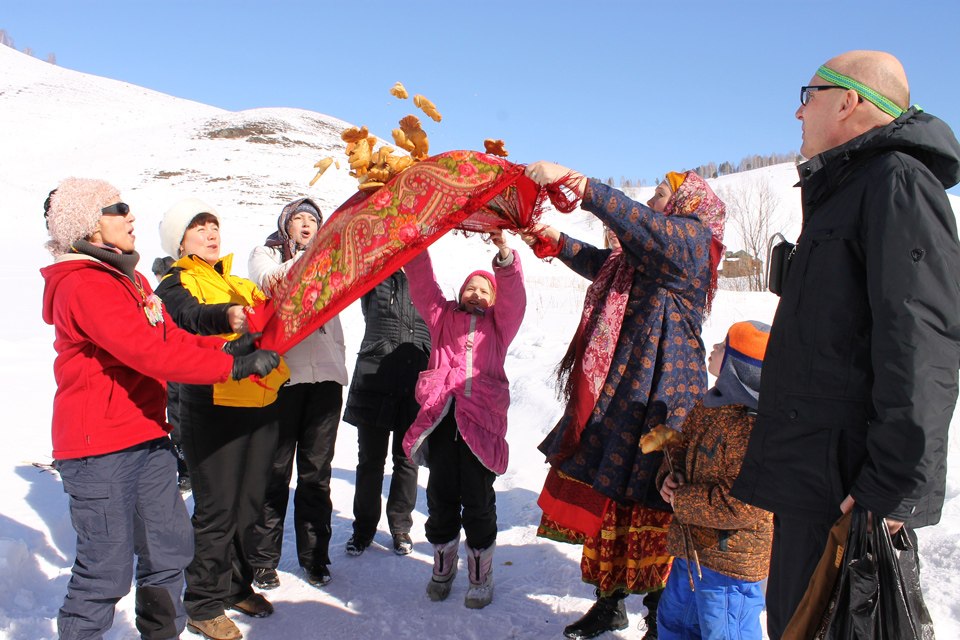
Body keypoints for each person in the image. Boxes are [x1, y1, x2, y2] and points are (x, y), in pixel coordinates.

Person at [731, 50, 960, 639]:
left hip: (849, 489)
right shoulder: (846, 189)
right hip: (815, 476)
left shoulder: (898, 183)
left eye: (808, 96)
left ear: (849, 101)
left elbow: (922, 344)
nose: (798, 111)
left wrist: (891, 486)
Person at [40, 178, 280, 640]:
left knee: (170, 550)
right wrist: (231, 368)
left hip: (147, 435)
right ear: (90, 224)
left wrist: (227, 350)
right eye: (117, 208)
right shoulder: (83, 283)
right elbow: (147, 353)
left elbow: (169, 336)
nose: (130, 216)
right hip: (99, 446)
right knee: (106, 570)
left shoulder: (130, 279)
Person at [522, 162, 726, 640]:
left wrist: (582, 186)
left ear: (686, 204)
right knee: (612, 495)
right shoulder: (646, 257)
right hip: (627, 390)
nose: (652, 201)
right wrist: (555, 240)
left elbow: (642, 225)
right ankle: (609, 603)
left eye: (660, 195)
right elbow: (602, 263)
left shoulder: (692, 242)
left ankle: (661, 616)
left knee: (659, 501)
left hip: (666, 399)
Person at [156, 198, 290, 640]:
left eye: (213, 225)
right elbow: (190, 318)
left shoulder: (236, 281)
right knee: (217, 509)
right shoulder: (174, 283)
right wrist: (227, 316)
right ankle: (203, 603)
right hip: (211, 404)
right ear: (179, 242)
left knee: (249, 505)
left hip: (260, 400)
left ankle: (236, 585)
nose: (211, 233)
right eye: (199, 227)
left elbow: (272, 314)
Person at [402, 229, 526, 609]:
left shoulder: (499, 327)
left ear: (493, 300)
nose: (476, 294)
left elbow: (514, 300)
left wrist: (504, 259)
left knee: (478, 501)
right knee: (439, 497)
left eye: (484, 290)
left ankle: (480, 575)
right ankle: (443, 567)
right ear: (460, 294)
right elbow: (423, 285)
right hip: (442, 420)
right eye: (470, 288)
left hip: (481, 425)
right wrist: (414, 245)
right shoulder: (442, 318)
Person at [246, 198, 348, 589]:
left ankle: (315, 557)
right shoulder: (266, 253)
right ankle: (262, 560)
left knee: (316, 475)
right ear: (286, 225)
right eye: (299, 219)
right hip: (281, 380)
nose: (306, 225)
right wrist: (315, 257)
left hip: (325, 380)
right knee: (273, 472)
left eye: (313, 221)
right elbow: (270, 282)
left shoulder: (333, 263)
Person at [656, 321, 773, 640]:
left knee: (726, 632)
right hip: (692, 550)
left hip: (729, 564)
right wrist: (670, 476)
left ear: (741, 367)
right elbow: (681, 447)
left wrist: (682, 499)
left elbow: (742, 504)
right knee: (675, 622)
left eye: (725, 346)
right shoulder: (710, 403)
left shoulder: (753, 430)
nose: (715, 347)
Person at [342, 268, 431, 557]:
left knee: (407, 459)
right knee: (370, 460)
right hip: (376, 376)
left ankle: (400, 526)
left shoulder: (427, 282)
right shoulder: (374, 277)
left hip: (414, 379)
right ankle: (363, 528)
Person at [151, 255, 191, 493]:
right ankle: (187, 471)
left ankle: (186, 472)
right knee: (180, 419)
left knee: (178, 420)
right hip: (181, 365)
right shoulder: (182, 288)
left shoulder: (162, 294)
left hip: (178, 365)